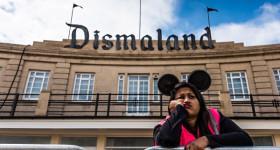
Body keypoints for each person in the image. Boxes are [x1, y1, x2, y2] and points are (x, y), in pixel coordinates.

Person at [153, 82, 253, 150]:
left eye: (191, 96)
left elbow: (244, 139)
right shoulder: (163, 125)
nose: (187, 100)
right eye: (181, 97)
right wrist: (178, 111)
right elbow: (167, 140)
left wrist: (208, 140)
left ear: (200, 102)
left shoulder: (214, 116)